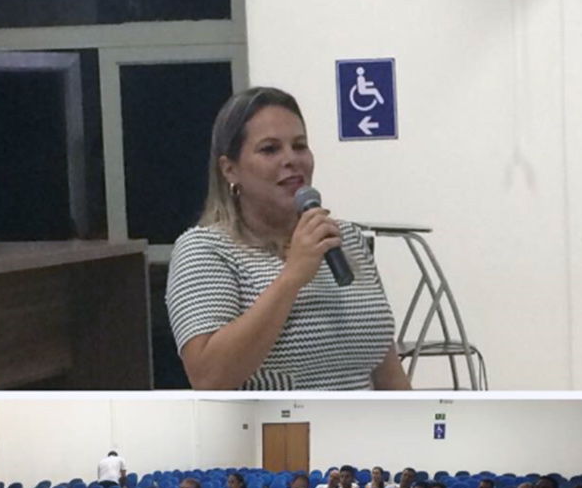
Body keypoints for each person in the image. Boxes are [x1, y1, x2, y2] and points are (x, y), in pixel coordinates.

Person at [166, 86, 410, 391]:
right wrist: (292, 277)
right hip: (277, 435)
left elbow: (384, 366)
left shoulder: (343, 237)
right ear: (230, 170)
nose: (291, 159)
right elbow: (209, 377)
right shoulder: (205, 250)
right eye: (270, 149)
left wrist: (417, 431)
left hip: (363, 433)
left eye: (300, 146)